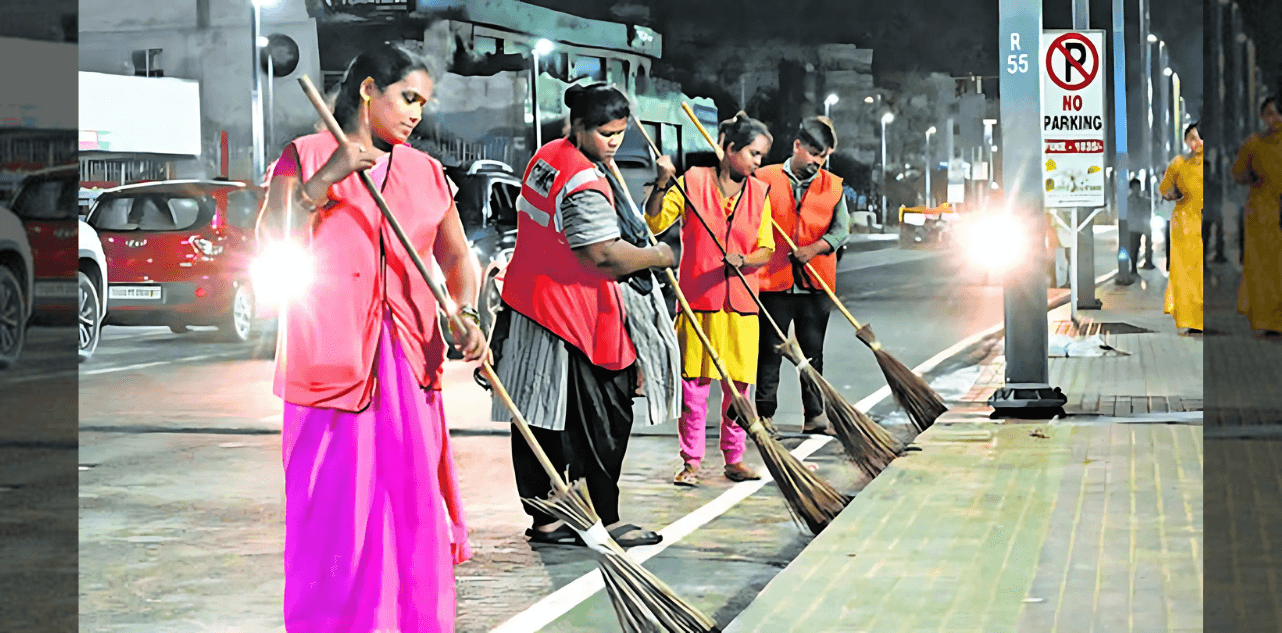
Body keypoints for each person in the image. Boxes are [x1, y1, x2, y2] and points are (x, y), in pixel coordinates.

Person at [256, 43, 486, 631]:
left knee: (410, 510)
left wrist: (466, 310)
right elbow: (274, 242)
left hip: (410, 360)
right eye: (408, 97)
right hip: (331, 364)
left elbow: (457, 256)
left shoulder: (427, 171)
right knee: (335, 516)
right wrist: (326, 180)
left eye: (423, 103)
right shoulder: (305, 156)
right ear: (367, 90)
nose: (416, 113)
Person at [489, 83, 679, 548]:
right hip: (573, 316)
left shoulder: (547, 156)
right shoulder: (581, 181)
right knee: (603, 420)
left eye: (619, 133)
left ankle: (548, 517)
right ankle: (604, 517)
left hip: (529, 300)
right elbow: (602, 257)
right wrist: (661, 256)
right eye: (604, 132)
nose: (613, 141)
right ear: (578, 125)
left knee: (540, 416)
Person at [644, 112, 775, 487]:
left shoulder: (759, 193)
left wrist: (745, 261)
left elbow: (766, 247)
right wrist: (662, 183)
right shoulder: (692, 183)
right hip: (698, 301)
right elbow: (654, 222)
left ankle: (735, 458)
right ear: (729, 148)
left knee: (738, 388)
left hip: (743, 305)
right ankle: (691, 461)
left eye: (761, 156)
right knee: (694, 389)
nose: (757, 162)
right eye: (753, 153)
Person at [752, 116, 849, 435]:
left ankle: (815, 415)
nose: (819, 163)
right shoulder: (762, 179)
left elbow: (841, 230)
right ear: (798, 146)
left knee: (812, 352)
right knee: (769, 350)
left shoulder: (833, 186)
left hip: (815, 285)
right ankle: (764, 415)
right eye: (815, 154)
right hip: (773, 281)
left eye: (824, 157)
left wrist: (816, 248)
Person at [1234, 96, 1282, 336]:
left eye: (1276, 113)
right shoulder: (1254, 144)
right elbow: (1238, 173)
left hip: (1274, 211)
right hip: (1262, 215)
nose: (1272, 119)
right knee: (1265, 269)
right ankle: (1269, 320)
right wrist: (1254, 179)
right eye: (1268, 114)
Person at [1159, 122, 1204, 334]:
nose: (1196, 142)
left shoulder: (1210, 163)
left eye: (1199, 137)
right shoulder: (1178, 163)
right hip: (1184, 224)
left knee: (1203, 271)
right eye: (1191, 138)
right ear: (1186, 141)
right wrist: (1172, 195)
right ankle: (1192, 319)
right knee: (1187, 273)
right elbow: (1164, 189)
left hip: (1205, 221)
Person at [1127, 177, 1155, 273]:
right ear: (1131, 188)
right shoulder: (1128, 201)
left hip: (1143, 226)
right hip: (1133, 228)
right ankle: (1134, 267)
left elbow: (1148, 212)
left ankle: (1148, 262)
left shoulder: (1145, 200)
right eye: (1135, 187)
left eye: (1138, 187)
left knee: (1147, 245)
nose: (1137, 189)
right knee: (1134, 248)